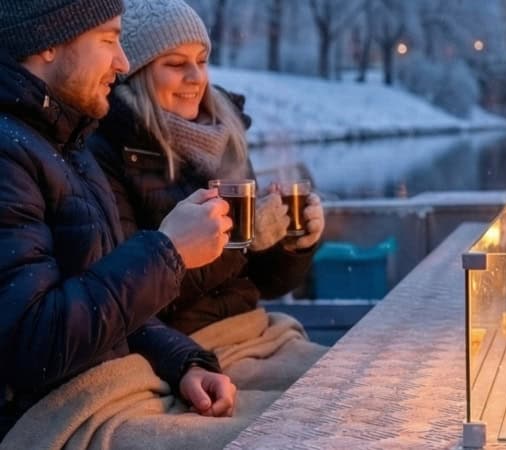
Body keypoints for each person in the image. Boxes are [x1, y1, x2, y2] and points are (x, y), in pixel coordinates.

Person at [0, 0, 238, 439]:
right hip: (43, 420)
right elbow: (30, 344)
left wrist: (184, 364)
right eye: (109, 39)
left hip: (106, 393)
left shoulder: (69, 141)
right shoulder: (9, 155)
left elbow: (110, 309)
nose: (123, 62)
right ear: (48, 41)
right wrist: (168, 251)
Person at [88, 0, 327, 388]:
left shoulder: (225, 135)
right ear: (137, 71)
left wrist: (291, 245)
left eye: (201, 61)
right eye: (175, 64)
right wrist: (239, 242)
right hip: (184, 348)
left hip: (255, 329)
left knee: (360, 378)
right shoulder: (110, 150)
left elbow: (263, 284)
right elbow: (129, 295)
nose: (195, 77)